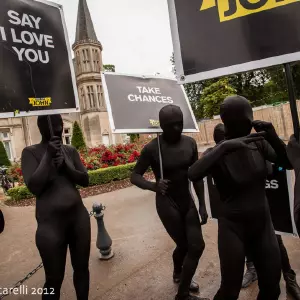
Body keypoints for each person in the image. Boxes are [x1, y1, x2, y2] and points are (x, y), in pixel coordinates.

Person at [188, 95, 292, 300]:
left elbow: (287, 163)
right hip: (232, 227)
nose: (249, 122)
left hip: (262, 223)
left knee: (272, 286)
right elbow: (193, 174)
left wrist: (273, 137)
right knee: (230, 290)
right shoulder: (216, 151)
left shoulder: (258, 143)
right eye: (245, 119)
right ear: (229, 121)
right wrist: (224, 147)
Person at [212, 123, 300, 299]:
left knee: (274, 242)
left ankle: (289, 277)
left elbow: (274, 166)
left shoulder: (255, 146)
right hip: (237, 214)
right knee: (242, 246)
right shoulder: (217, 154)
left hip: (262, 204)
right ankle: (252, 268)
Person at [130, 104, 209, 300]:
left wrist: (202, 204)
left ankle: (181, 278)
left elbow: (196, 176)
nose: (177, 128)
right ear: (162, 126)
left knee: (196, 246)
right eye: (171, 125)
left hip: (187, 200)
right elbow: (135, 176)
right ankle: (181, 283)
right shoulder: (152, 148)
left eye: (180, 124)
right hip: (167, 203)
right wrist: (153, 186)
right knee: (184, 245)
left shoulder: (190, 143)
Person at [21, 115, 91, 300]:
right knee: (53, 278)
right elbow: (34, 187)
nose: (58, 128)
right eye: (53, 125)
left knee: (82, 268)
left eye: (59, 123)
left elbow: (85, 180)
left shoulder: (70, 150)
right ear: (41, 127)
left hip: (78, 220)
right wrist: (48, 157)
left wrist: (67, 167)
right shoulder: (30, 152)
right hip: (51, 225)